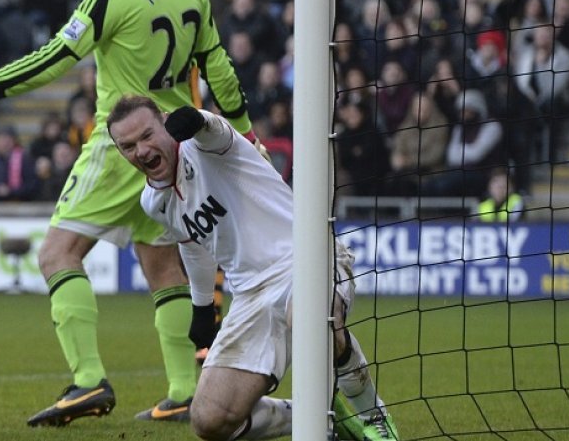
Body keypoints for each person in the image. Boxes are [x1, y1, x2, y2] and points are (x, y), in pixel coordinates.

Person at [0, 0, 263, 426]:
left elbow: (51, 60)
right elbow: (219, 72)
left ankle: (88, 381)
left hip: (122, 145)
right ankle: (186, 388)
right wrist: (244, 137)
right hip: (176, 151)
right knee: (164, 269)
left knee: (57, 255)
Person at [106, 96, 401, 441]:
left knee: (308, 316)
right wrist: (202, 308)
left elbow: (214, 129)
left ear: (166, 122)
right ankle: (324, 421)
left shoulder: (206, 148)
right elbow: (194, 247)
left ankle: (373, 416)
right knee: (208, 420)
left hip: (308, 258)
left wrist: (196, 119)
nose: (140, 150)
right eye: (127, 145)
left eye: (146, 135)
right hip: (250, 296)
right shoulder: (153, 201)